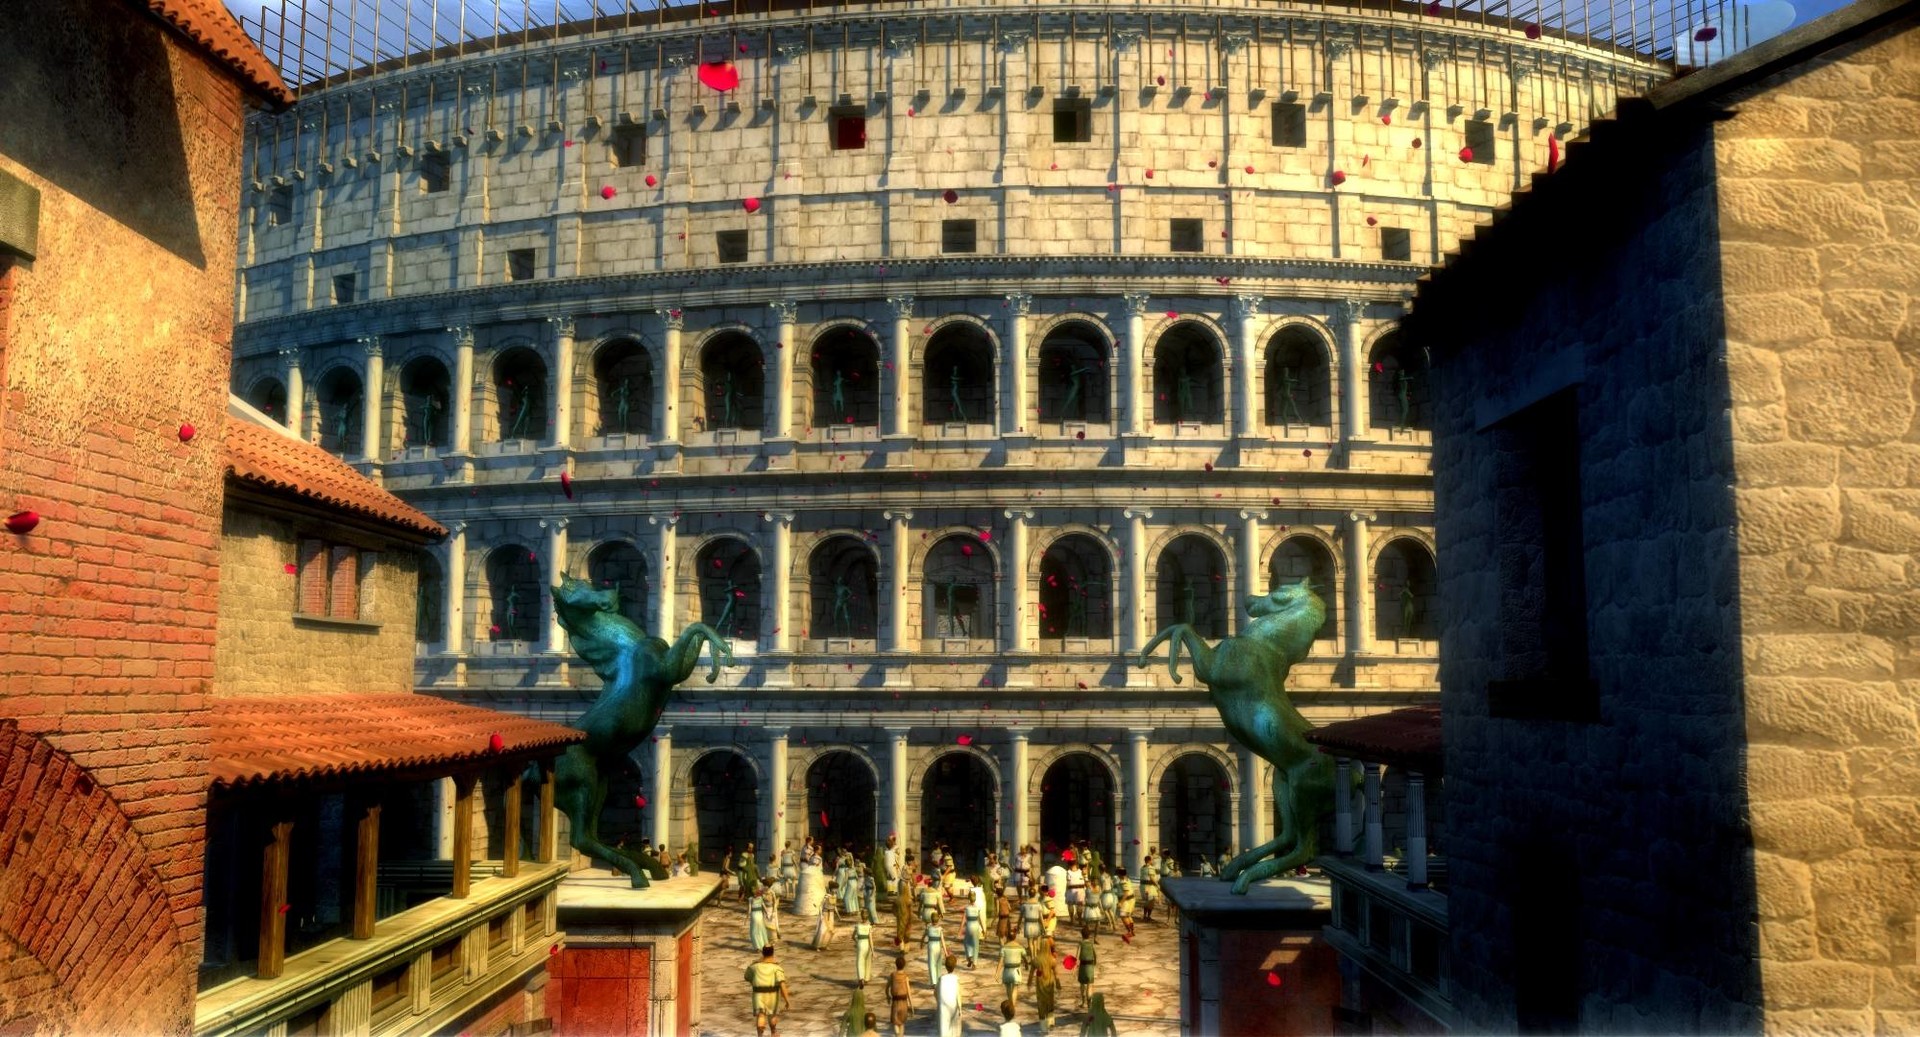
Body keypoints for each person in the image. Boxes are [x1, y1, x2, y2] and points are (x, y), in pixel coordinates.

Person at [745, 945, 792, 1037]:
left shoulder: (754, 966)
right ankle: (773, 1033)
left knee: (761, 1015)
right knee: (772, 1014)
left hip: (758, 995)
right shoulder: (777, 968)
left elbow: (747, 976)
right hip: (772, 995)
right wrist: (787, 1000)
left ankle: (760, 1036)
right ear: (772, 952)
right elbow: (782, 984)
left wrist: (755, 982)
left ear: (763, 952)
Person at [1031, 936, 1060, 1030]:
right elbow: (1056, 973)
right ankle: (1051, 1022)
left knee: (1041, 1003)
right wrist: (1058, 983)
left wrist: (1028, 982)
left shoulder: (1036, 960)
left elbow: (1031, 973)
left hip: (1040, 985)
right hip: (1049, 984)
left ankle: (1043, 1026)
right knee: (1050, 1002)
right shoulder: (1052, 960)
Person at [999, 933, 1029, 1012]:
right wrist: (1026, 964)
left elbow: (1001, 962)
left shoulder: (1004, 948)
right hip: (1016, 971)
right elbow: (1025, 957)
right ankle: (1012, 1006)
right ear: (1015, 937)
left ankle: (1010, 1005)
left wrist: (997, 972)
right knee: (1015, 988)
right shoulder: (1020, 947)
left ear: (1008, 937)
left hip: (1007, 971)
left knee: (1008, 988)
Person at [937, 954, 962, 1037]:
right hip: (953, 1005)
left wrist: (939, 1001)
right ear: (954, 966)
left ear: (945, 966)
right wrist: (960, 1009)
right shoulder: (956, 979)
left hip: (943, 1006)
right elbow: (958, 994)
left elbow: (935, 992)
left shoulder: (941, 979)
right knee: (954, 1029)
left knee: (944, 1028)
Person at [888, 955, 913, 1034]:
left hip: (895, 1002)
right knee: (901, 1023)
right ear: (904, 965)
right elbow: (908, 992)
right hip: (903, 1002)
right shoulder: (905, 976)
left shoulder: (892, 975)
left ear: (896, 965)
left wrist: (887, 996)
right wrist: (911, 1005)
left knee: (895, 1022)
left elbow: (886, 988)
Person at [1075, 927, 1099, 1010]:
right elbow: (1095, 955)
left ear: (1082, 935)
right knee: (1089, 986)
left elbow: (1077, 956)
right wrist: (1094, 963)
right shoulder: (1091, 944)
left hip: (1082, 966)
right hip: (1090, 966)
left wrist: (1075, 965)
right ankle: (1089, 1004)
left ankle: (1083, 1002)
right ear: (1089, 935)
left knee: (1082, 984)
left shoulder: (1080, 943)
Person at [962, 883, 985, 968]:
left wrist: (960, 930)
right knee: (976, 944)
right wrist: (983, 929)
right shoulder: (977, 908)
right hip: (976, 926)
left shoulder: (967, 908)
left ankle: (969, 956)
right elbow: (980, 919)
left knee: (966, 942)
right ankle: (974, 963)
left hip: (969, 926)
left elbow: (963, 920)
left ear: (969, 899)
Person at [853, 913, 875, 988]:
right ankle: (866, 979)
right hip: (867, 945)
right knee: (867, 962)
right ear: (867, 917)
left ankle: (861, 978)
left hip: (860, 944)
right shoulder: (869, 927)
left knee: (860, 962)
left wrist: (857, 941)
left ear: (861, 917)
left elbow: (853, 937)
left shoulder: (857, 926)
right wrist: (873, 951)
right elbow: (871, 940)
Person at [749, 882, 771, 951]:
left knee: (754, 930)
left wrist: (747, 917)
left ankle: (757, 946)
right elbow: (764, 907)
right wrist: (767, 914)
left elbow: (749, 909)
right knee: (761, 929)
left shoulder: (750, 899)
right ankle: (763, 944)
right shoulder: (760, 898)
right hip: (759, 915)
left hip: (754, 915)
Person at [924, 920, 946, 984]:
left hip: (931, 946)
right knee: (938, 964)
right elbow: (943, 941)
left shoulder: (928, 928)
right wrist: (946, 952)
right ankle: (938, 980)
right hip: (938, 947)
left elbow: (924, 936)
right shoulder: (940, 929)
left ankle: (933, 982)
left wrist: (921, 943)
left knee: (931, 964)